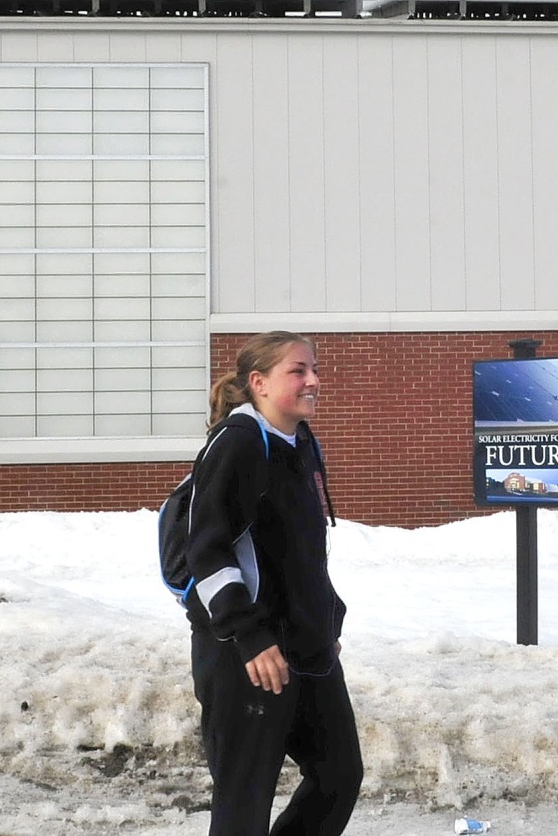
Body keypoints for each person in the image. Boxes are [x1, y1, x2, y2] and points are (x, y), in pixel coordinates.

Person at [185, 330, 363, 836]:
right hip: (247, 652)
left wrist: (326, 617)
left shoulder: (298, 442)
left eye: (314, 369)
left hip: (306, 648)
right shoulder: (240, 443)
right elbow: (208, 550)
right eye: (298, 371)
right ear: (259, 383)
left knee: (338, 774)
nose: (314, 380)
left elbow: (295, 554)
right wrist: (249, 635)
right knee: (245, 801)